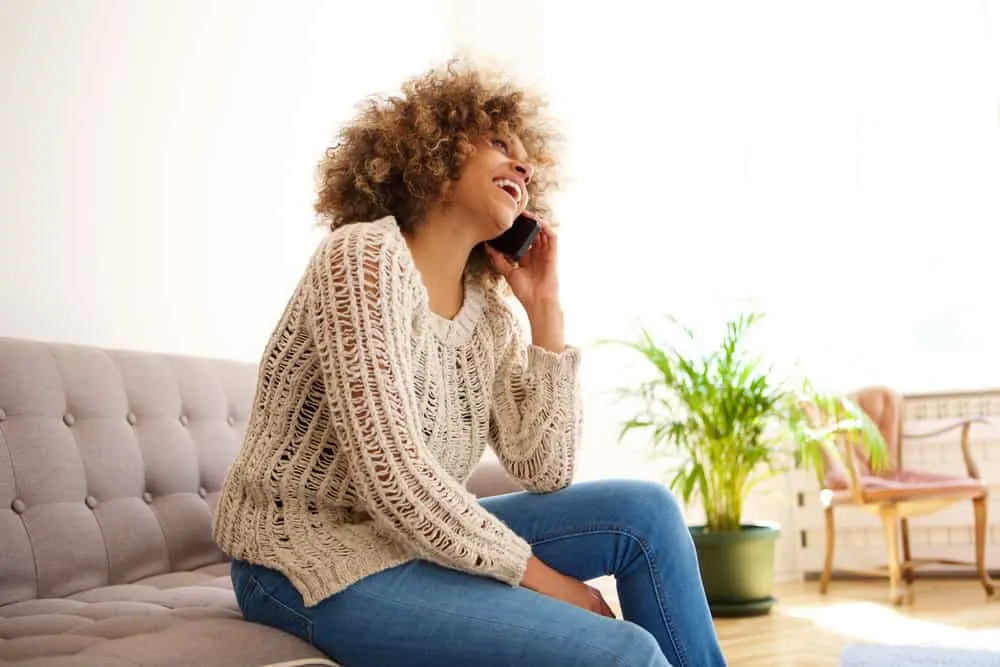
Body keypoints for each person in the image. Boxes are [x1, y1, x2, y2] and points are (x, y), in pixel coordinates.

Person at [212, 60, 727, 667]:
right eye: (500, 144)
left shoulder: (486, 313)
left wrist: (545, 313)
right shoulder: (361, 260)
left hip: (401, 543)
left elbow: (543, 468)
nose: (523, 165)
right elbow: (394, 476)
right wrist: (544, 578)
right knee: (624, 653)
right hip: (302, 561)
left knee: (647, 514)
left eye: (527, 157)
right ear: (433, 150)